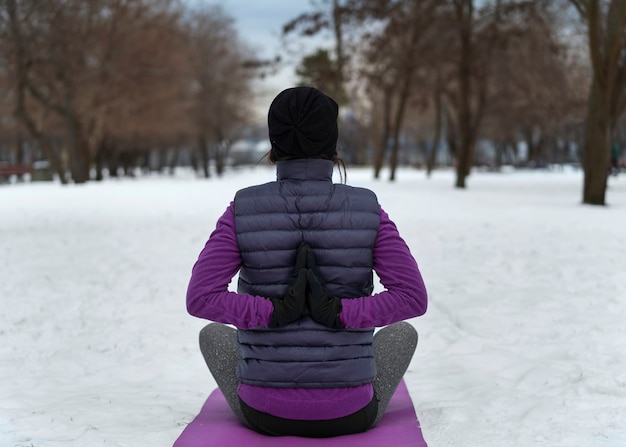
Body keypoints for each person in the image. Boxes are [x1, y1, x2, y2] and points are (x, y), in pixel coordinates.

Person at [186, 86, 428, 438]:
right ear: (332, 144)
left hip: (263, 413)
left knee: (212, 334)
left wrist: (272, 313)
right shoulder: (367, 208)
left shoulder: (241, 209)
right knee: (402, 333)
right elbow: (412, 298)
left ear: (274, 145)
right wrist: (341, 314)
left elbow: (201, 298)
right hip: (351, 412)